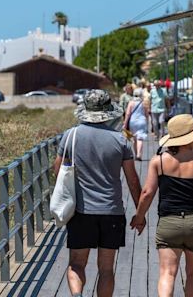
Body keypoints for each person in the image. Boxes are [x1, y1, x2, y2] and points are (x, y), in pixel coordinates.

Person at [54, 89, 143, 297]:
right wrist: (140, 213)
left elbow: (57, 171)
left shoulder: (70, 136)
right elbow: (132, 179)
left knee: (76, 264)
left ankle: (77, 295)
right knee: (106, 269)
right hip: (112, 211)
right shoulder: (120, 141)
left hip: (80, 211)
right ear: (108, 112)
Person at [130, 114, 193, 297]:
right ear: (189, 138)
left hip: (168, 223)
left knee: (167, 272)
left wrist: (139, 217)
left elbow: (147, 193)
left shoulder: (158, 162)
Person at [123, 88, 149, 161]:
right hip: (142, 121)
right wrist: (147, 123)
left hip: (133, 122)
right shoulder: (144, 103)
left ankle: (135, 154)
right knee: (140, 138)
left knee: (134, 139)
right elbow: (147, 114)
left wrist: (125, 123)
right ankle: (139, 154)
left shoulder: (131, 103)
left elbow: (127, 114)